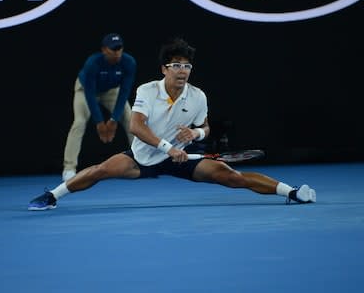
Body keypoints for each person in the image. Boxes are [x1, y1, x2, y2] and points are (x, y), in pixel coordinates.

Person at [29, 37, 316, 211]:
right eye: (177, 65)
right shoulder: (147, 90)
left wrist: (197, 132)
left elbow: (205, 127)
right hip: (144, 158)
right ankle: (51, 196)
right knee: (102, 170)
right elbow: (137, 127)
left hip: (182, 159)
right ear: (164, 68)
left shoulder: (198, 96)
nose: (183, 71)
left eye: (187, 66)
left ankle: (292, 192)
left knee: (232, 177)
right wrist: (168, 147)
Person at [61, 33, 137, 181]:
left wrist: (114, 119)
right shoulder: (92, 63)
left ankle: (141, 163)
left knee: (130, 119)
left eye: (119, 49)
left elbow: (125, 92)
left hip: (111, 91)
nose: (117, 52)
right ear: (104, 50)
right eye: (113, 49)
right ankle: (69, 168)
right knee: (79, 122)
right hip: (86, 90)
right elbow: (90, 94)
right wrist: (100, 122)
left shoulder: (129, 63)